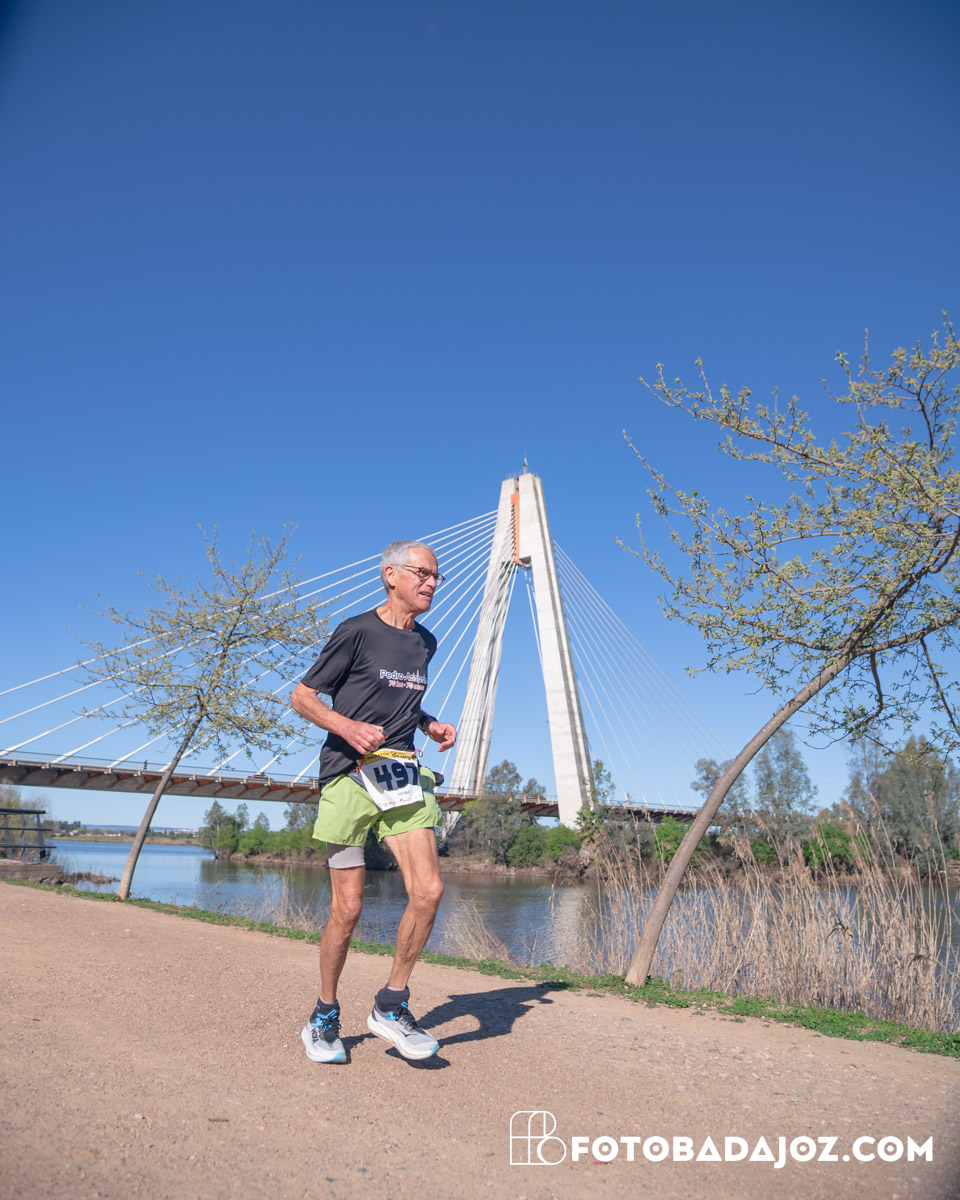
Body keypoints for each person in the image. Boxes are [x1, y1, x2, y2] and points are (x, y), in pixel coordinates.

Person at [290, 539, 457, 1063]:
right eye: (423, 573)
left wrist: (429, 723)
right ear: (391, 575)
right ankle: (323, 1015)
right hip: (348, 777)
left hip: (401, 774)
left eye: (436, 576)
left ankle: (390, 1004)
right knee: (349, 907)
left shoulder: (425, 642)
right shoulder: (356, 631)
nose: (432, 583)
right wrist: (346, 727)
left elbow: (402, 700)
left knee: (428, 891)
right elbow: (302, 696)